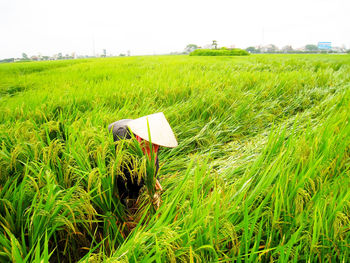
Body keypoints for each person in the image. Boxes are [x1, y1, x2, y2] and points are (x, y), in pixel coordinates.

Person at [108, 112, 178, 208]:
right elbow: (122, 172)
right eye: (152, 143)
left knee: (138, 180)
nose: (155, 146)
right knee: (124, 180)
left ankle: (134, 198)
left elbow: (154, 161)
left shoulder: (155, 139)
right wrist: (146, 179)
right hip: (116, 134)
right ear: (143, 137)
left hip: (132, 133)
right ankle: (123, 205)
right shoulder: (123, 136)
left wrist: (154, 178)